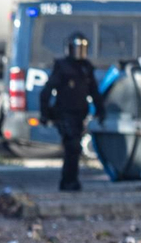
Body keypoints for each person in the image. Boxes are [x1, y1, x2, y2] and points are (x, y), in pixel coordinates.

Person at [39, 31, 105, 192]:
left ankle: (70, 180)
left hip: (79, 114)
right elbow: (46, 91)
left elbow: (93, 91)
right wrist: (45, 113)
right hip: (64, 113)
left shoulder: (86, 68)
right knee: (72, 147)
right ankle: (68, 181)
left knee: (74, 150)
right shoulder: (62, 66)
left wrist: (100, 109)